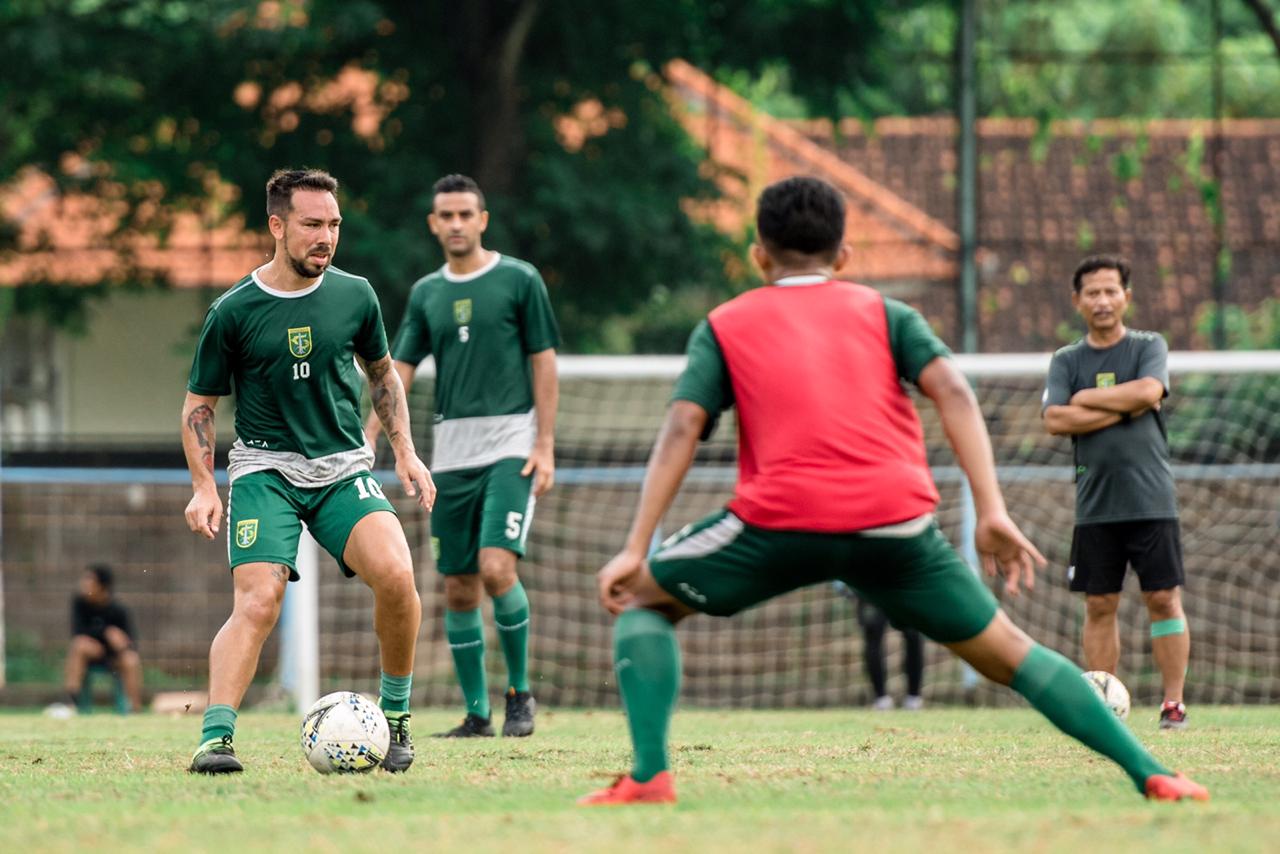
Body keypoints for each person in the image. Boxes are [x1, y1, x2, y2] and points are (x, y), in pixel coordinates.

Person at [580, 176, 1207, 806]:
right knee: (1013, 654)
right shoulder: (888, 313)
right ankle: (1154, 774)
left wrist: (637, 547)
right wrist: (990, 510)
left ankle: (650, 777)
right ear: (845, 256)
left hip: (778, 527)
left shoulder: (724, 323)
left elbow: (685, 424)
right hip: (896, 529)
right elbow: (955, 393)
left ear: (758, 254)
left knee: (644, 603)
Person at [182, 168, 434, 774]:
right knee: (259, 599)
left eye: (334, 225)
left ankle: (395, 718)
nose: (326, 237)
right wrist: (202, 486)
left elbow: (382, 376)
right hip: (264, 469)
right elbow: (200, 406)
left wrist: (404, 450)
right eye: (312, 225)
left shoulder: (356, 295)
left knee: (398, 575)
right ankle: (215, 740)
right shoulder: (233, 311)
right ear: (277, 225)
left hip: (343, 468)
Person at [365, 174, 559, 738]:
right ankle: (476, 714)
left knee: (498, 568)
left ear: (482, 219)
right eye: (445, 215)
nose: (455, 224)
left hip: (511, 446)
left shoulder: (520, 280)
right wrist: (371, 434)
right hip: (450, 455)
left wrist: (545, 443)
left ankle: (520, 694)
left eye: (464, 214)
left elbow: (543, 360)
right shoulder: (428, 293)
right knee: (457, 585)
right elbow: (394, 371)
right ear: (433, 223)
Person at [1042, 256, 1190, 730]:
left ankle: (1172, 703)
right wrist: (1123, 406)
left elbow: (1150, 391)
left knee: (1163, 598)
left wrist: (1086, 400)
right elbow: (1054, 420)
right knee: (1099, 603)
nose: (1102, 301)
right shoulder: (1067, 360)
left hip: (1152, 501)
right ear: (1076, 301)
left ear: (1126, 296)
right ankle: (1102, 704)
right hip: (1095, 507)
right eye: (1092, 293)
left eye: (1111, 291)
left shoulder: (1149, 346)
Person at [56, 565, 143, 713]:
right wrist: (105, 632)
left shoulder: (118, 610)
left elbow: (131, 643)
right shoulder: (80, 604)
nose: (84, 583)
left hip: (114, 656)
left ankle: (134, 708)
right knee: (79, 645)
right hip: (91, 654)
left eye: (89, 580)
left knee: (131, 659)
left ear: (102, 586)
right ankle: (72, 702)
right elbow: (78, 632)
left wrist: (121, 643)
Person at [834, 582, 924, 710]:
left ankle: (913, 698)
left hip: (902, 584)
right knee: (873, 638)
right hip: (871, 586)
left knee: (913, 635)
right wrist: (843, 585)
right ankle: (882, 699)